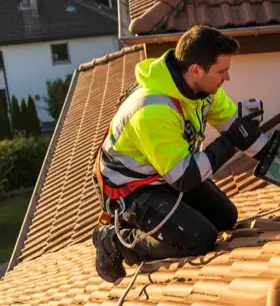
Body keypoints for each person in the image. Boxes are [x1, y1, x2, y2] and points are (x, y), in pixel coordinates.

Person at [91, 26, 269, 283]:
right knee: (200, 238)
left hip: (166, 173)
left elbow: (243, 135)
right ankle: (113, 242)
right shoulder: (153, 110)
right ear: (196, 69)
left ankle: (156, 222)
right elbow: (185, 178)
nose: (227, 78)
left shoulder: (205, 93)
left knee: (226, 218)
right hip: (131, 190)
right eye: (222, 71)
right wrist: (231, 140)